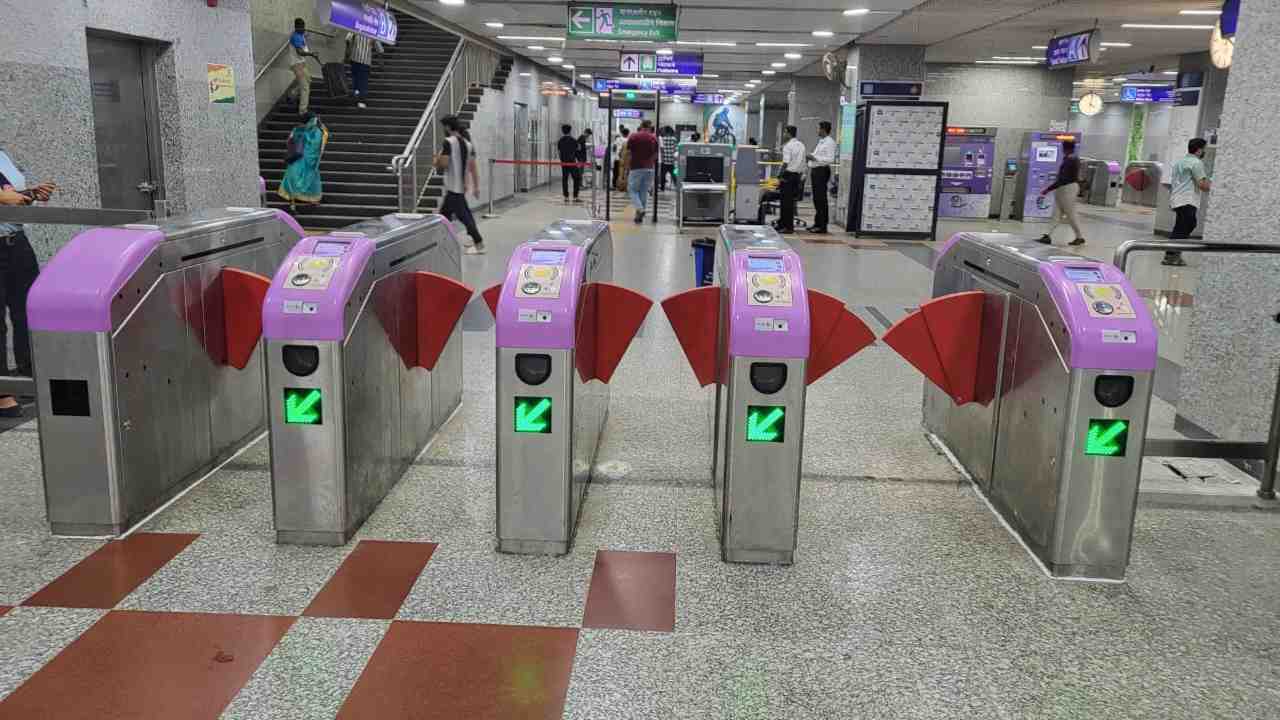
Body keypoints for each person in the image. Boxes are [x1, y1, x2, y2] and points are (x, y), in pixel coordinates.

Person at [0, 148, 55, 419]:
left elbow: (12, 194)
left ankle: (29, 375)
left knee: (27, 312)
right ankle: (3, 391)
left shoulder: (3, 154)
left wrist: (31, 194)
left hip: (16, 242)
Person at [436, 115, 486, 255]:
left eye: (443, 127)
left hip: (453, 188)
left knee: (463, 217)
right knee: (445, 216)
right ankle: (444, 242)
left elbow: (444, 164)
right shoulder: (468, 144)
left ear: (447, 127)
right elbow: (470, 167)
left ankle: (479, 243)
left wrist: (437, 161)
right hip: (459, 187)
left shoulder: (448, 142)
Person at [1164, 137, 1212, 267]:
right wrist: (1213, 186)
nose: (1204, 152)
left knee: (1182, 226)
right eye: (1204, 149)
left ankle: (1172, 253)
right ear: (1199, 150)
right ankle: (1171, 255)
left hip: (1177, 198)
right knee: (1186, 225)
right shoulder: (1196, 163)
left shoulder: (1180, 162)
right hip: (1187, 199)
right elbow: (1202, 184)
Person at [1036, 140, 1085, 247]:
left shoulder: (1070, 160)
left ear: (1064, 148)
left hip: (1068, 188)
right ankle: (1047, 235)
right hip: (1064, 188)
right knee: (1056, 213)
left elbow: (1063, 178)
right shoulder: (1073, 158)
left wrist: (1048, 189)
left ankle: (1079, 237)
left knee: (1070, 213)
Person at [277, 111, 328, 208]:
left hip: (301, 159)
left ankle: (298, 198)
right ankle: (299, 198)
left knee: (295, 176)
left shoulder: (304, 130)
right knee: (298, 177)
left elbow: (290, 142)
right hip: (301, 158)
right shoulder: (314, 131)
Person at [625, 120, 659, 223]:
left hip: (636, 167)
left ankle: (640, 209)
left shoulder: (633, 136)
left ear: (640, 126)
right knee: (643, 192)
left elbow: (628, 153)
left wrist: (626, 167)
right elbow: (656, 155)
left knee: (632, 190)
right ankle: (638, 217)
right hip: (649, 168)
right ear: (650, 127)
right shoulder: (654, 138)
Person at [807, 121, 836, 234]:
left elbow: (830, 159)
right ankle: (817, 223)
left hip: (822, 171)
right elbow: (817, 155)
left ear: (823, 129)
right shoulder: (821, 142)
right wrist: (811, 157)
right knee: (816, 199)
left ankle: (822, 226)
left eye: (818, 128)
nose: (817, 130)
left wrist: (814, 158)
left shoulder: (830, 142)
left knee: (821, 199)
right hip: (816, 170)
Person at [777, 125, 805, 234]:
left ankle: (787, 227)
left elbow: (785, 163)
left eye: (785, 132)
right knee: (789, 203)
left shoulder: (788, 146)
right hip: (797, 176)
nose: (784, 135)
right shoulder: (801, 145)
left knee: (785, 202)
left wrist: (779, 176)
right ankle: (784, 225)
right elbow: (802, 163)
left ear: (789, 133)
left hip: (788, 175)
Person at [288, 18, 319, 114]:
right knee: (305, 87)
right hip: (297, 65)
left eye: (304, 26)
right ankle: (303, 111)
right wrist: (311, 54)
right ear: (296, 27)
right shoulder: (295, 37)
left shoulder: (301, 35)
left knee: (308, 81)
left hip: (302, 63)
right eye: (301, 27)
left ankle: (292, 95)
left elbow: (303, 46)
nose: (303, 29)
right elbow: (300, 52)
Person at [345, 32, 384, 109]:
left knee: (356, 79)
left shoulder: (354, 30)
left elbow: (347, 40)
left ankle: (357, 94)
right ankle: (360, 100)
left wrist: (347, 53)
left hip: (354, 59)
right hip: (365, 62)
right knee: (362, 81)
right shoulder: (372, 33)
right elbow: (380, 49)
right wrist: (380, 61)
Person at [557, 124, 582, 203]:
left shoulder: (560, 141)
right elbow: (578, 149)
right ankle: (575, 196)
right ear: (570, 131)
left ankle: (566, 197)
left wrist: (562, 160)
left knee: (565, 179)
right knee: (576, 178)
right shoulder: (574, 140)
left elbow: (559, 152)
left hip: (564, 162)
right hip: (572, 162)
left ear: (562, 131)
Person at [658, 126, 677, 192]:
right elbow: (675, 149)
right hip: (672, 160)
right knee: (674, 175)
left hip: (664, 160)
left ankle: (662, 188)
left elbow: (661, 149)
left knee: (663, 175)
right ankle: (677, 186)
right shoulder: (674, 139)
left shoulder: (662, 139)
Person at [613, 127, 630, 192]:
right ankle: (623, 186)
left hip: (617, 158)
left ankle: (615, 185)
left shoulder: (618, 139)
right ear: (628, 133)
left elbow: (614, 147)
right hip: (625, 159)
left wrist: (616, 152)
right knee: (624, 174)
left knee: (616, 173)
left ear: (622, 133)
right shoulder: (628, 140)